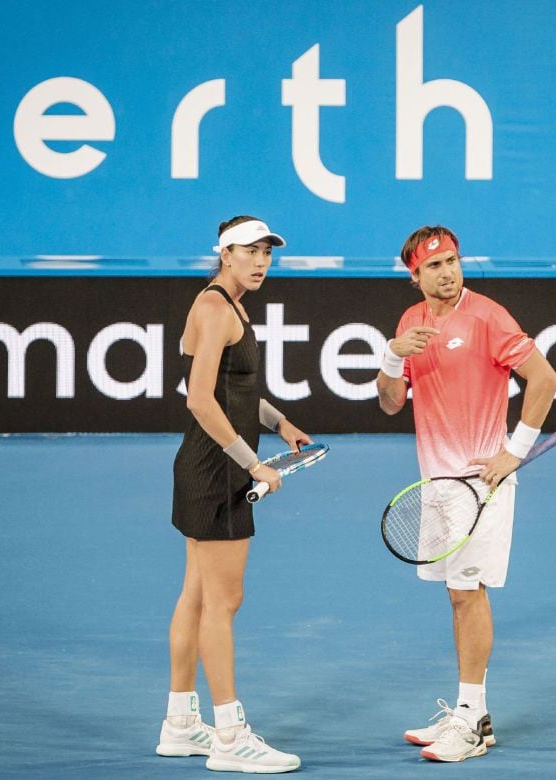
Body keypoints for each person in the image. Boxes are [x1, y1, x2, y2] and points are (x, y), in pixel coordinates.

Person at [376, 225, 556, 763]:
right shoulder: (411, 322)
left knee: (468, 591)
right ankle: (464, 712)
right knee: (456, 594)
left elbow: (544, 379)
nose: (448, 272)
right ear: (415, 275)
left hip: (482, 482)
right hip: (436, 482)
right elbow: (390, 403)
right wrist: (392, 356)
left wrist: (515, 452)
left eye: (452, 261)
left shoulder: (487, 316)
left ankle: (474, 720)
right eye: (434, 266)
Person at [157, 215, 309, 774]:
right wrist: (255, 466)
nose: (262, 261)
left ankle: (179, 725)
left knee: (196, 597)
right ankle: (229, 737)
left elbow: (235, 392)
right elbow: (200, 400)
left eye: (268, 252)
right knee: (223, 604)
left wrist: (281, 424)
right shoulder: (219, 309)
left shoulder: (221, 303)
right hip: (219, 474)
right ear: (226, 254)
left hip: (201, 468)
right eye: (251, 251)